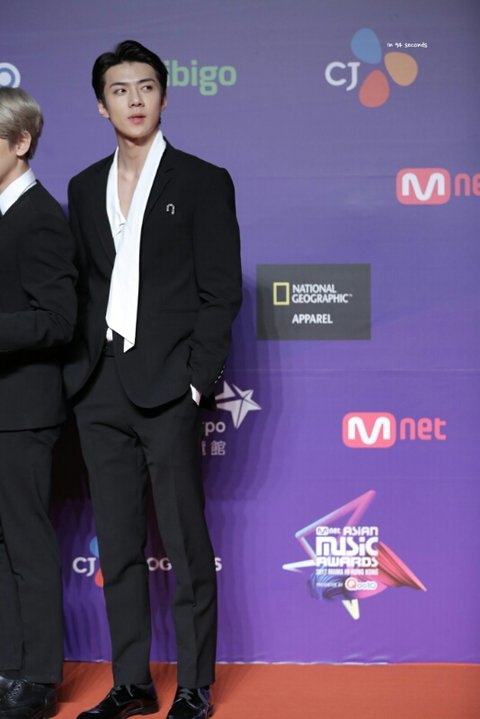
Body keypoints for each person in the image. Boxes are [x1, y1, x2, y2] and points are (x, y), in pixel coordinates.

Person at [64, 40, 242, 719]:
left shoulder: (202, 180)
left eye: (145, 86)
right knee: (117, 544)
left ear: (164, 96)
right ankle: (132, 682)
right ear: (101, 105)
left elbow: (220, 292)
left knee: (185, 539)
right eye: (120, 89)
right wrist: (78, 377)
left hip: (169, 385)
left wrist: (196, 380)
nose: (134, 99)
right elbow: (84, 288)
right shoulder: (83, 186)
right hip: (100, 387)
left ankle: (194, 684)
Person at [0, 87, 77, 719]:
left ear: (21, 142)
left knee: (25, 542)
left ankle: (39, 678)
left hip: (24, 410)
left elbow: (58, 320)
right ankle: (9, 667)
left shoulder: (40, 217)